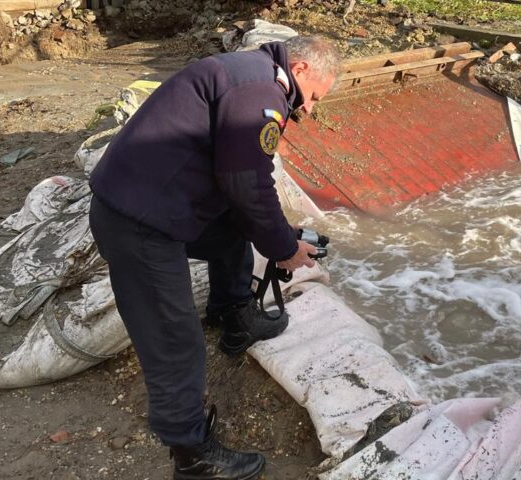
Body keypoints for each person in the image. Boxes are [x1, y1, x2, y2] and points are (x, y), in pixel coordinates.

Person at [88, 36, 340, 480]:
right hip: (139, 223)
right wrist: (283, 249)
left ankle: (234, 316)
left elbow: (237, 187)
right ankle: (192, 456)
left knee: (229, 233)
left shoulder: (249, 73)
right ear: (300, 70)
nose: (311, 109)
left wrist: (283, 234)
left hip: (156, 199)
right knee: (175, 340)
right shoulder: (259, 92)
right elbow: (247, 183)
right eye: (315, 96)